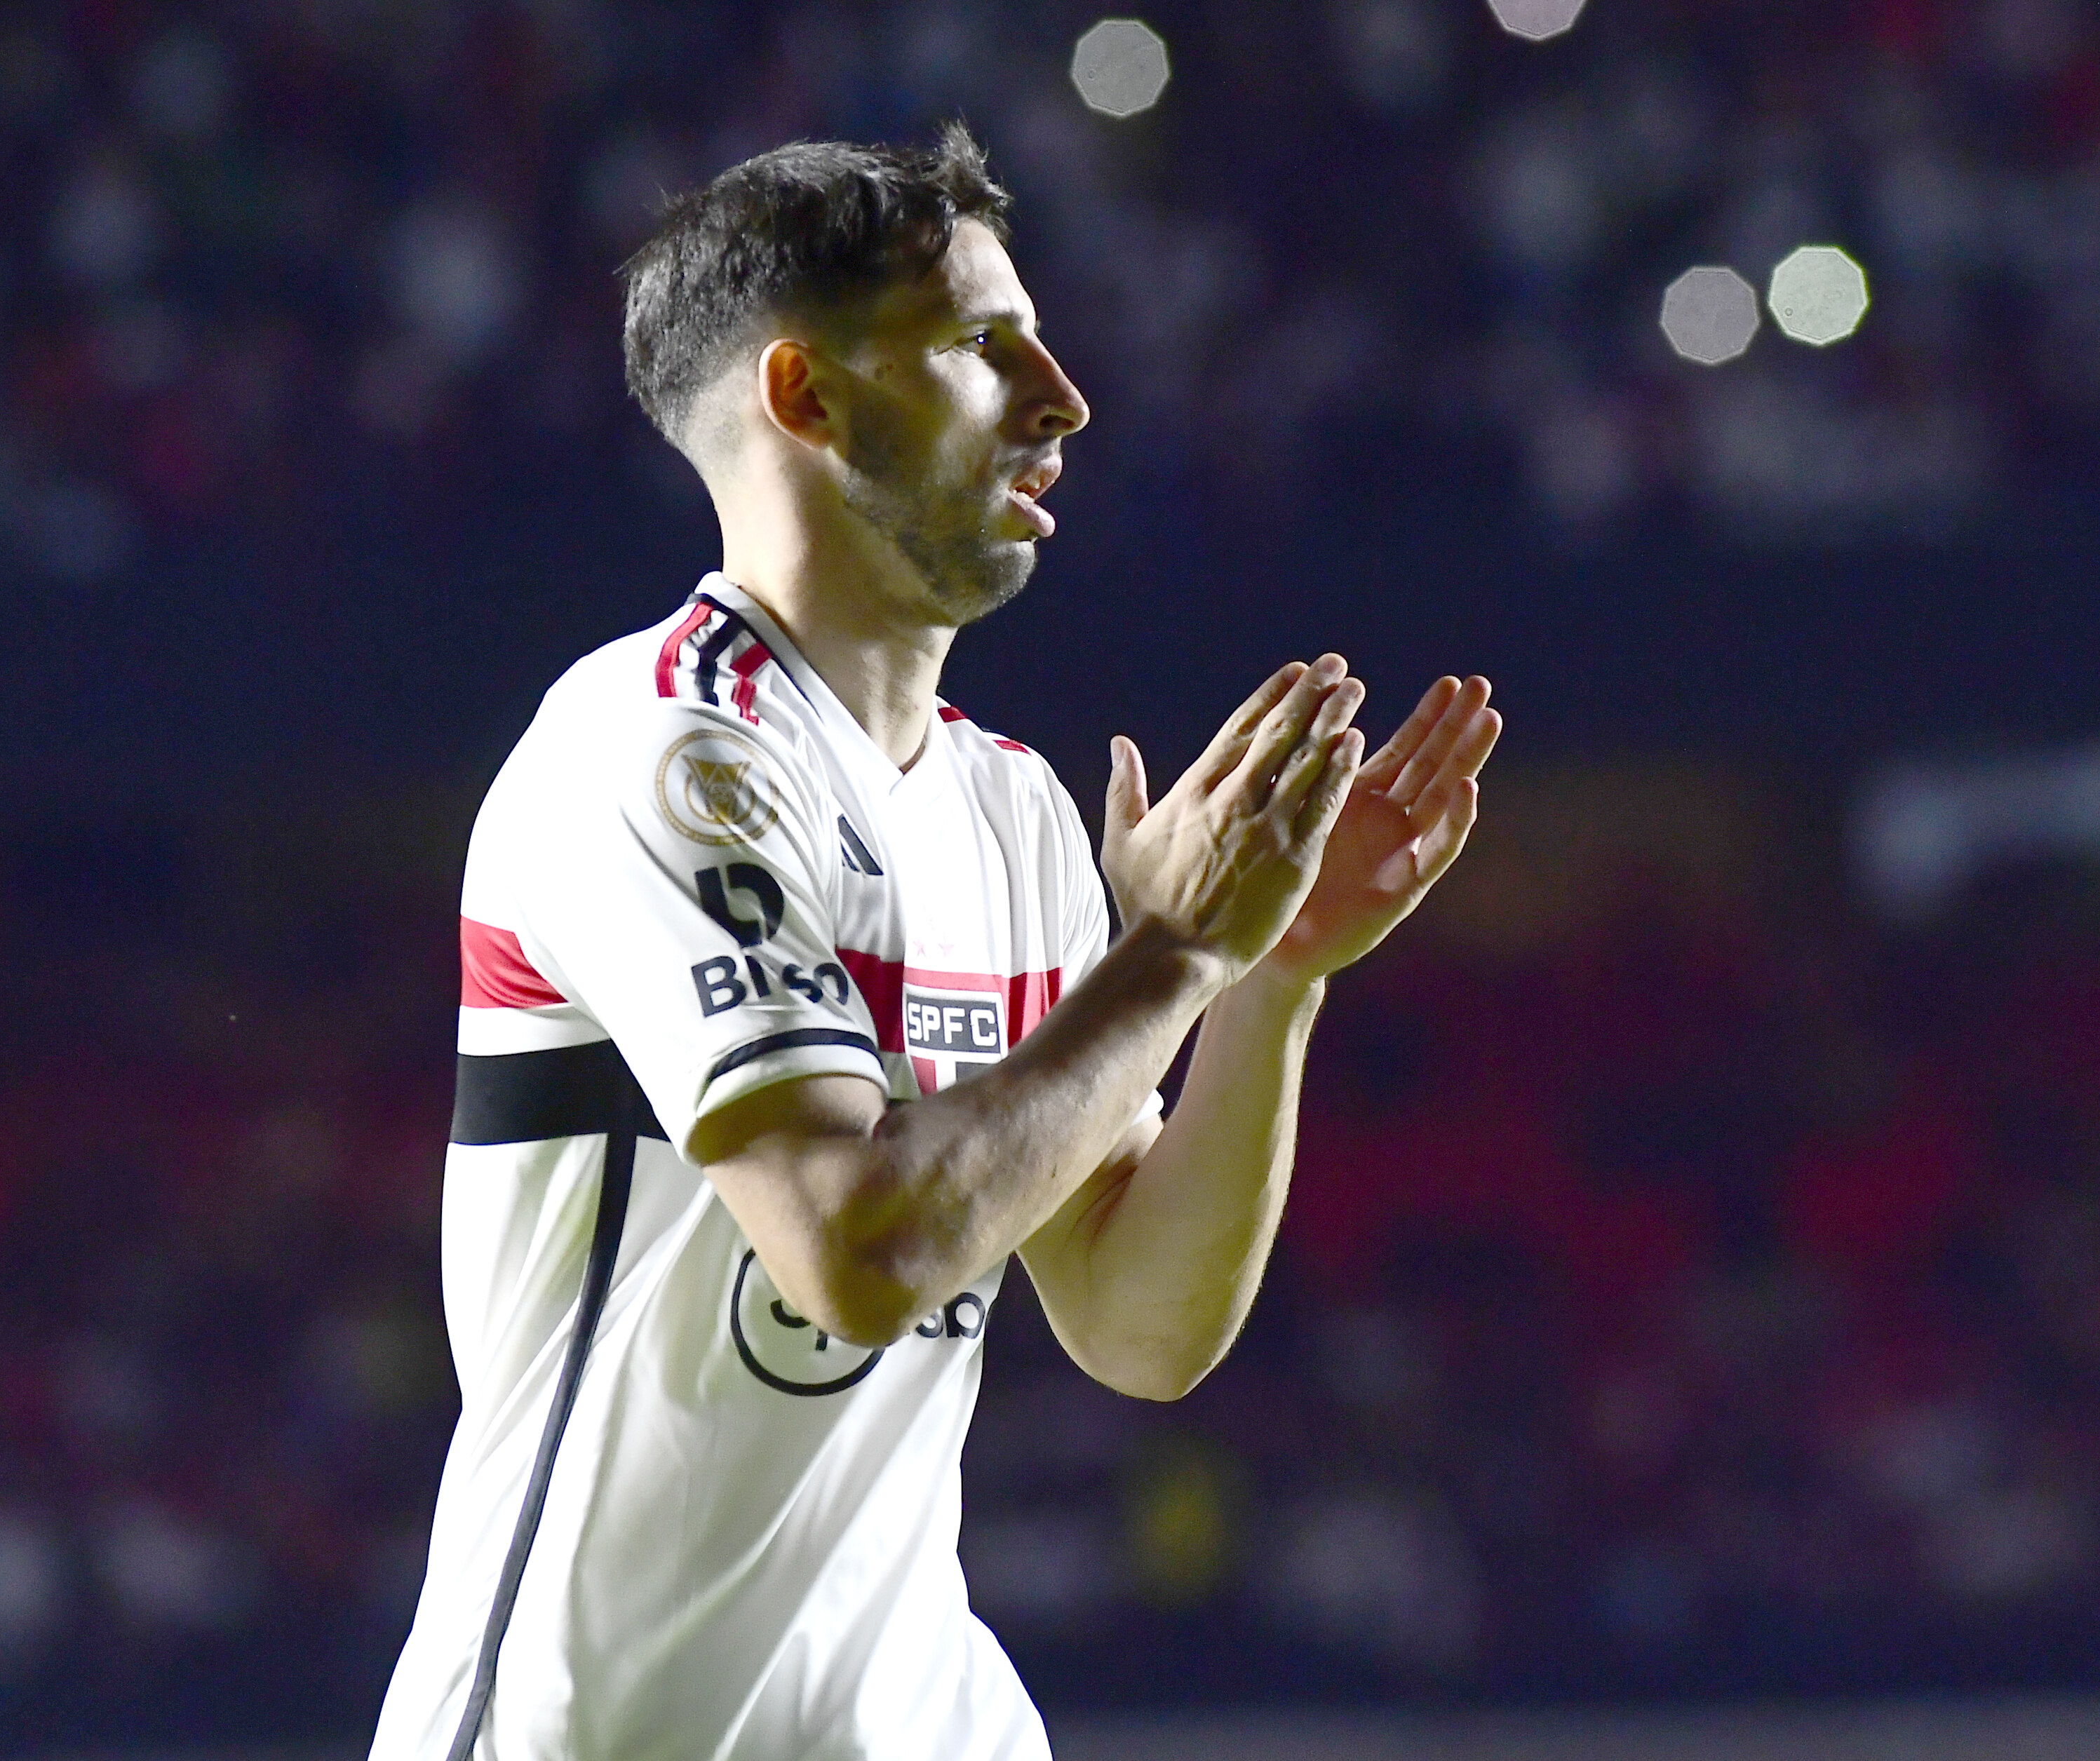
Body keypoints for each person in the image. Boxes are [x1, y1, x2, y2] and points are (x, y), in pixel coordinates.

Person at [369, 123, 1500, 1761]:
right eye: (984, 345)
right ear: (807, 398)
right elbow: (858, 1247)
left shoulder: (1012, 811)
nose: (1063, 397)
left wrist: (1266, 982)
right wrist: (1171, 956)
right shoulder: (657, 755)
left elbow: (1139, 1323)